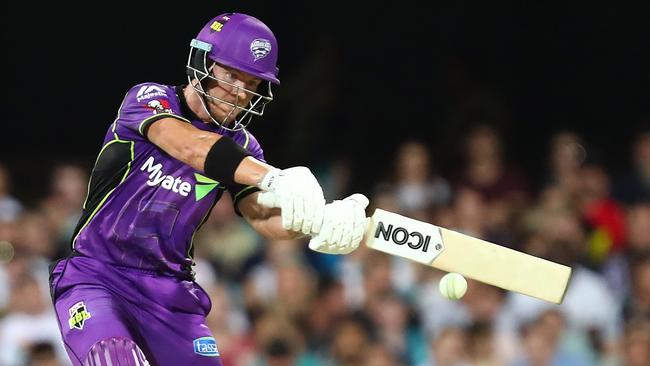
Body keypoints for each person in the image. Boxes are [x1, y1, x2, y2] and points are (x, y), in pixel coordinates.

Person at [48, 12, 368, 366]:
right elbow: (192, 147)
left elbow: (261, 216)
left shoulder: (244, 147)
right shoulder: (150, 99)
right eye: (231, 75)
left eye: (252, 83)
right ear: (203, 61)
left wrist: (316, 221)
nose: (240, 92)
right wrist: (274, 177)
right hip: (98, 275)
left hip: (170, 294)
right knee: (113, 357)